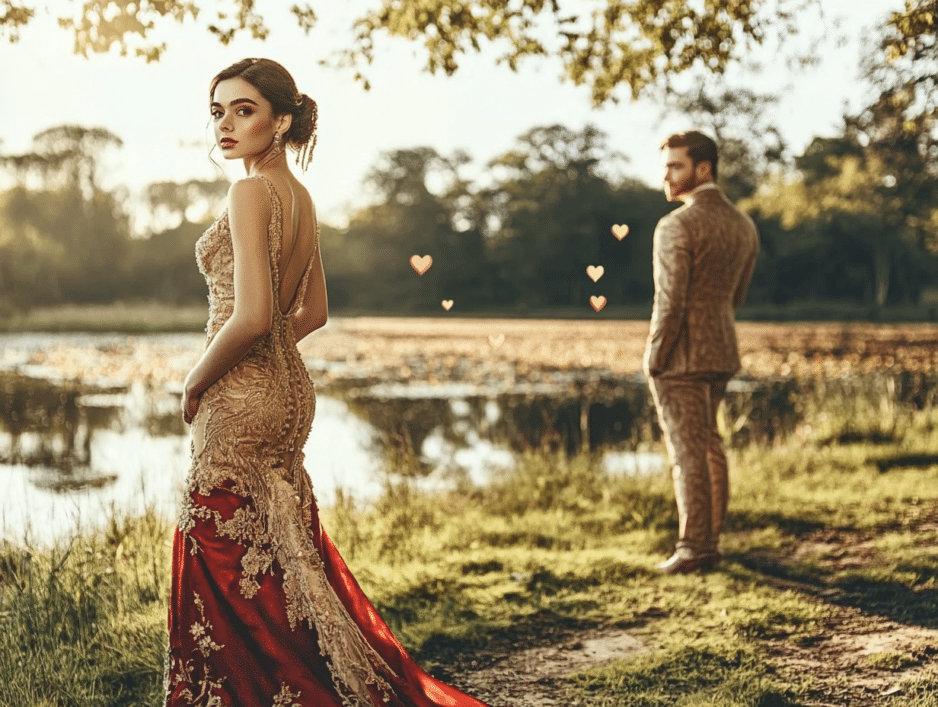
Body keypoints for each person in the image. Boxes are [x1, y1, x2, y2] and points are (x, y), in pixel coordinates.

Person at [165, 57, 490, 707]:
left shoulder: (249, 191)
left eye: (244, 109)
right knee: (282, 546)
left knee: (228, 549)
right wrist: (275, 357)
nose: (226, 124)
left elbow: (252, 315)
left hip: (239, 389)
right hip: (288, 392)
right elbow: (311, 312)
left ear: (281, 119)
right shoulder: (302, 196)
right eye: (217, 111)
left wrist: (197, 379)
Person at [643, 131, 759, 575]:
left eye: (675, 165)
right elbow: (738, 295)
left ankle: (695, 547)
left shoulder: (675, 225)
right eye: (666, 165)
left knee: (687, 452)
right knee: (709, 445)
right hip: (721, 350)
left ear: (703, 169)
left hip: (680, 358)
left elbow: (669, 302)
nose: (666, 175)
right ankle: (709, 541)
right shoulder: (743, 224)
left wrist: (655, 357)